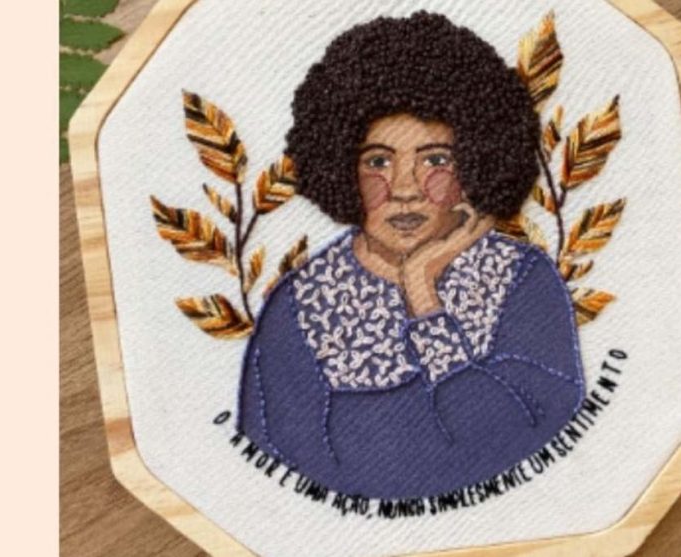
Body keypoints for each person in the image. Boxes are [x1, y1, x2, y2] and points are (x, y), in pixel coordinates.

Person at [238, 11, 585, 499]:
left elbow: (525, 445)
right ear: (340, 167)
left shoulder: (521, 281)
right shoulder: (302, 304)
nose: (404, 189)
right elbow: (275, 478)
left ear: (476, 164)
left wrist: (423, 296)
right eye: (377, 161)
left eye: (436, 160)